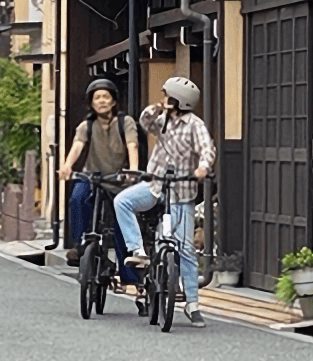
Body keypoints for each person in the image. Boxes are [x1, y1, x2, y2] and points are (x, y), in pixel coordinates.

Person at [114, 76, 215, 328]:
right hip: (155, 185)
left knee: (186, 248)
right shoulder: (163, 120)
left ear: (178, 100)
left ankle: (192, 304)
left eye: (167, 95)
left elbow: (207, 149)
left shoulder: (195, 125)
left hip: (181, 191)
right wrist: (157, 108)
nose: (163, 98)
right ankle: (137, 250)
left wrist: (203, 167)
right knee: (122, 201)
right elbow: (145, 122)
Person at [57, 79, 139, 267]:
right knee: (77, 197)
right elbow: (78, 145)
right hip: (91, 177)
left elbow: (132, 145)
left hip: (117, 179)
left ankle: (127, 270)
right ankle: (80, 243)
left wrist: (133, 170)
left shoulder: (125, 122)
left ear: (113, 101)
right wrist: (67, 165)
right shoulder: (86, 125)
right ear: (91, 103)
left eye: (106, 97)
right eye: (97, 98)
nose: (101, 101)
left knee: (121, 218)